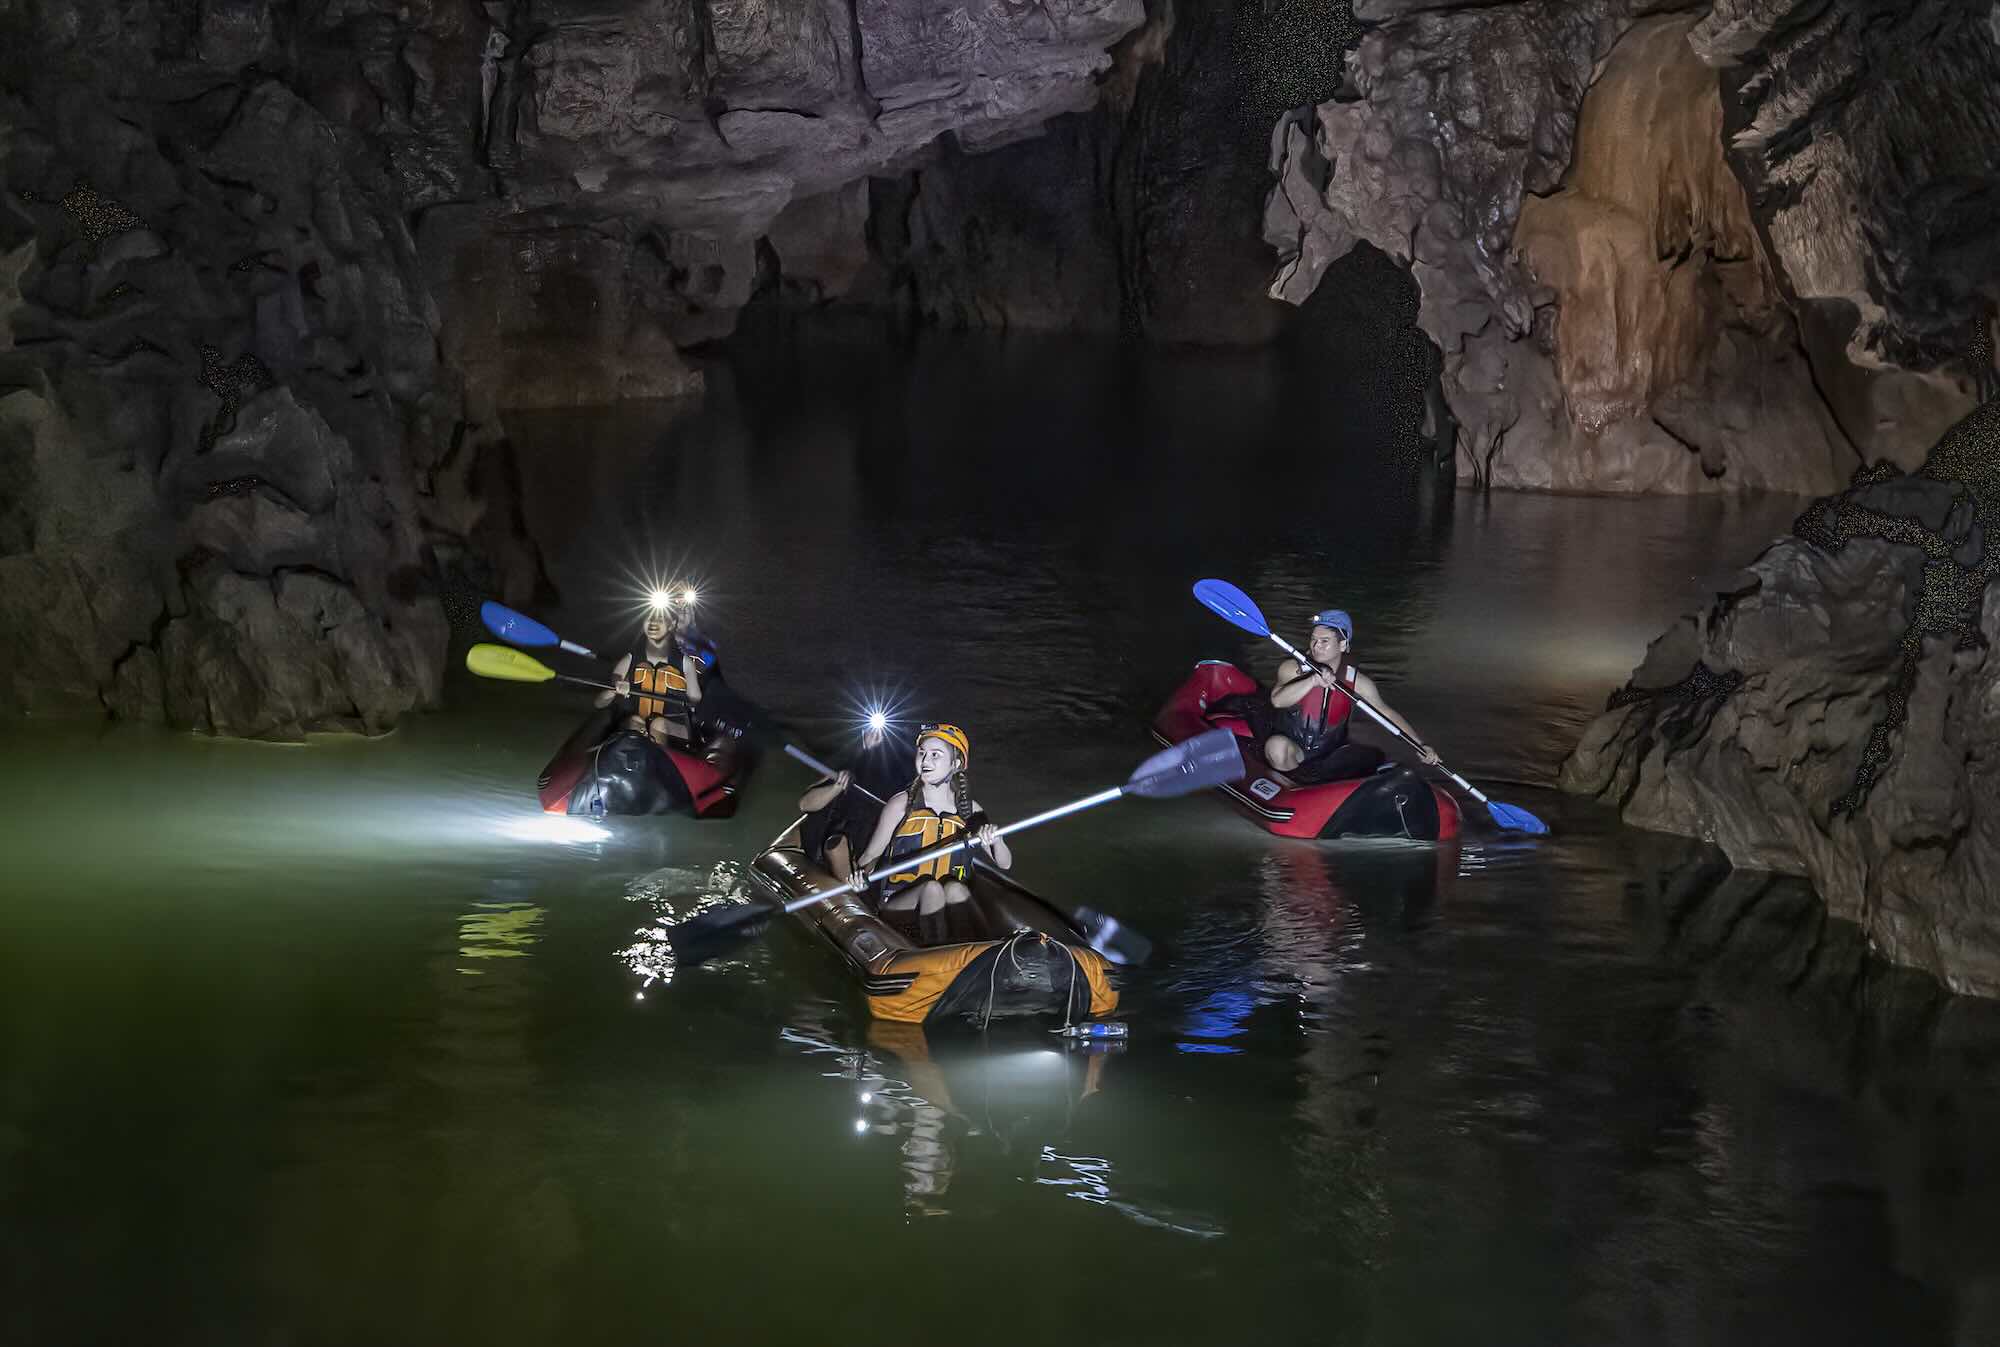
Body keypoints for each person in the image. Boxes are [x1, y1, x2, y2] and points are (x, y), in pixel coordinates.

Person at [852, 723, 1008, 947]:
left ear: (955, 765)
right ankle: (938, 956)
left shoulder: (970, 811)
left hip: (944, 902)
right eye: (922, 753)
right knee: (932, 888)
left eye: (936, 755)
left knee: (955, 889)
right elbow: (870, 857)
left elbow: (1004, 863)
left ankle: (971, 949)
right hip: (899, 905)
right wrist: (860, 876)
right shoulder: (901, 804)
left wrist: (996, 838)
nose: (925, 761)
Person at [1263, 609, 1440, 782]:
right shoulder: (1292, 669)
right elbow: (1277, 700)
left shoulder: (1356, 681)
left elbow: (1387, 714)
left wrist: (1420, 745)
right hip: (1294, 748)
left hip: (1331, 752)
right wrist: (1312, 681)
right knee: (1276, 747)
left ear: (1343, 645)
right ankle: (1290, 790)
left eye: (1325, 641)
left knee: (1369, 756)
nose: (1316, 646)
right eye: (1314, 639)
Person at [796, 720, 910, 880]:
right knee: (836, 843)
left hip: (859, 858)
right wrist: (836, 787)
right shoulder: (846, 765)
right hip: (821, 849)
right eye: (872, 732)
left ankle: (851, 885)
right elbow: (805, 804)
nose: (876, 737)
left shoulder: (896, 789)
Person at [596, 601, 705, 748]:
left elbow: (696, 698)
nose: (653, 622)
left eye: (660, 619)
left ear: (672, 624)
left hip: (675, 729)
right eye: (649, 618)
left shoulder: (686, 663)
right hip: (640, 723)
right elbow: (599, 703)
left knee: (658, 724)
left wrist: (686, 697)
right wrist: (614, 689)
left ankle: (659, 763)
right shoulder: (631, 658)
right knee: (635, 721)